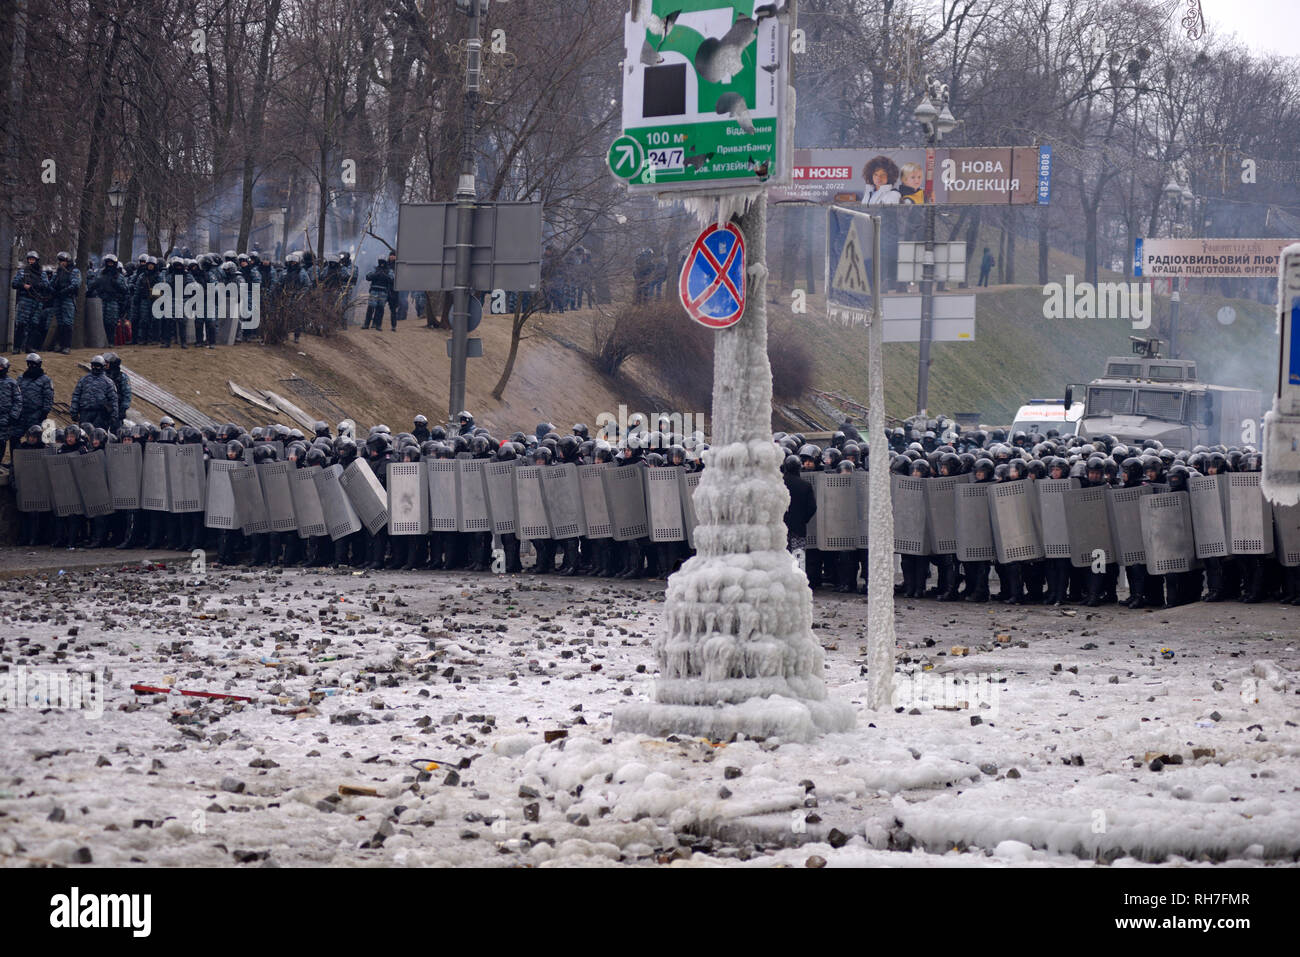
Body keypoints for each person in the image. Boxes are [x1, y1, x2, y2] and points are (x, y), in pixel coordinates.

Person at [11, 252, 50, 354]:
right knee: (21, 324)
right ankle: (17, 347)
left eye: (33, 259)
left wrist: (34, 285)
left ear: (36, 260)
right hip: (25, 301)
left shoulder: (42, 273)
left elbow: (46, 285)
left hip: (37, 301)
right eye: (29, 259)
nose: (31, 261)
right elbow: (14, 284)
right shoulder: (23, 272)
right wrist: (23, 285)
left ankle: (29, 347)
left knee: (34, 325)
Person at [70, 355, 120, 431]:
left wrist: (113, 416)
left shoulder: (108, 382)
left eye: (98, 366)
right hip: (85, 413)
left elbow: (113, 399)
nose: (95, 368)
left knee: (98, 436)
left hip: (100, 415)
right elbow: (76, 395)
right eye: (93, 366)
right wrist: (74, 411)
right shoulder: (84, 380)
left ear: (103, 367)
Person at [0, 357, 21, 463]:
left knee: (1, 441)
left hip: (5, 417)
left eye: (1, 367)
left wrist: (13, 415)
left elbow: (18, 401)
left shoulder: (12, 383)